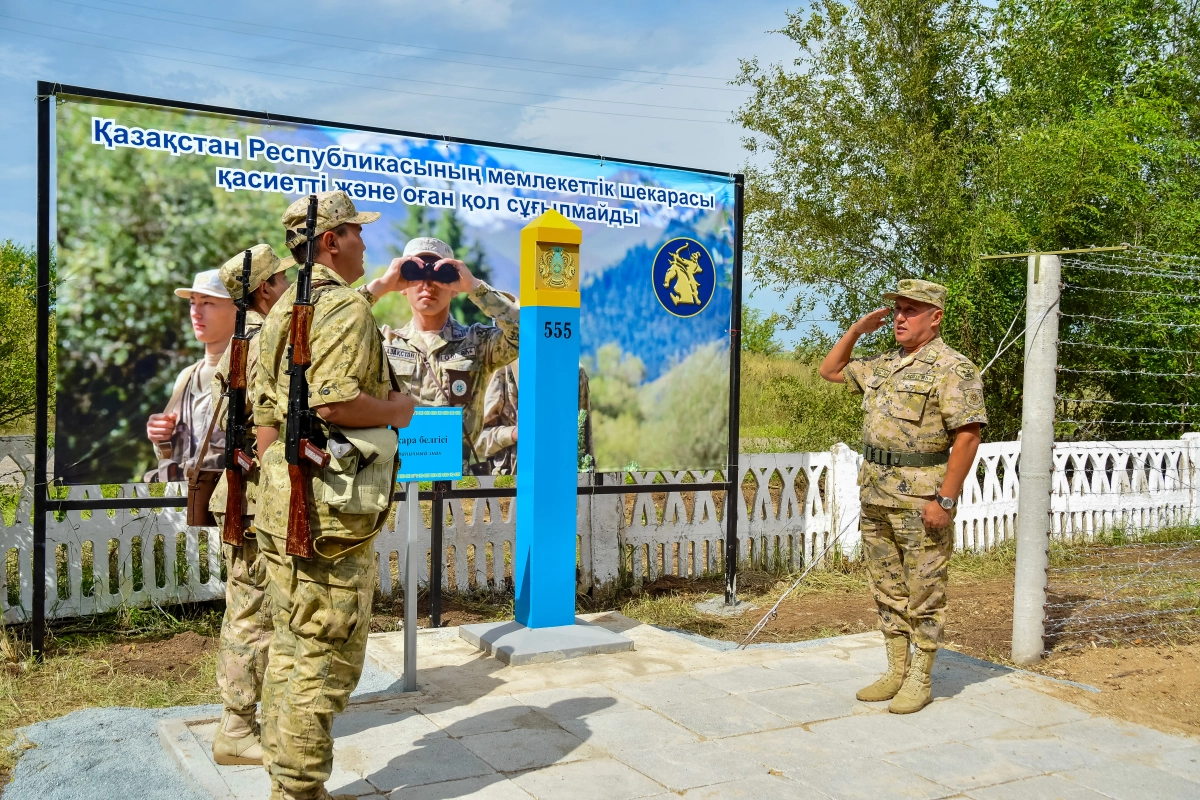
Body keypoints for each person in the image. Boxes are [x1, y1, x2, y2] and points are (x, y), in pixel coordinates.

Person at [253, 190, 415, 800]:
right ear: (329, 241)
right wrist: (399, 409)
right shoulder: (343, 309)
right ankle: (297, 791)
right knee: (325, 653)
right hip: (328, 514)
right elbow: (335, 402)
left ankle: (285, 778)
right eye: (355, 233)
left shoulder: (280, 312)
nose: (364, 243)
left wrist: (280, 478)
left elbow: (267, 418)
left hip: (284, 505)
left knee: (294, 643)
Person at [818, 279, 985, 714]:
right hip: (876, 493)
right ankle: (895, 670)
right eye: (897, 309)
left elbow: (967, 437)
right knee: (887, 587)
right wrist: (857, 331)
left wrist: (945, 501)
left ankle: (921, 678)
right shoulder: (885, 363)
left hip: (921, 499)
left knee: (924, 591)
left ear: (935, 316)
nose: (900, 317)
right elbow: (831, 371)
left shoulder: (954, 368)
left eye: (912, 310)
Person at [205, 244, 291, 766]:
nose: (289, 283)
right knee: (252, 614)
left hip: (249, 493)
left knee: (255, 610)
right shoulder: (264, 343)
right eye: (282, 277)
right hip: (257, 497)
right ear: (265, 289)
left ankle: (250, 720)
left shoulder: (244, 344)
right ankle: (236, 729)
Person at [368, 236, 519, 473]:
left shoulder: (479, 343)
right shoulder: (383, 343)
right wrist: (381, 285)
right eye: (415, 275)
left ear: (454, 288)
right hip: (396, 478)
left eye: (440, 276)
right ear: (403, 287)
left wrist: (474, 287)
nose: (428, 285)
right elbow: (329, 328)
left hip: (457, 480)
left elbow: (526, 333)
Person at [144, 269, 237, 482]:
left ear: (238, 309)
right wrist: (160, 438)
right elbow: (173, 454)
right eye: (192, 303)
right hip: (184, 505)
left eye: (207, 303)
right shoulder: (187, 376)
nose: (196, 312)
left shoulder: (250, 371)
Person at [475, 361, 593, 475]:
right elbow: (478, 441)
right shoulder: (505, 370)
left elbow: (585, 438)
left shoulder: (574, 371)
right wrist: (513, 434)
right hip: (512, 482)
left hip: (559, 478)